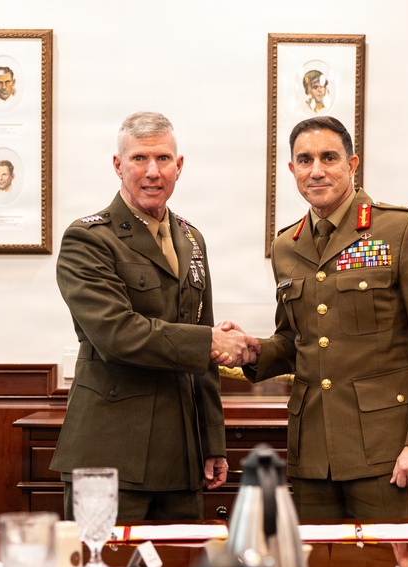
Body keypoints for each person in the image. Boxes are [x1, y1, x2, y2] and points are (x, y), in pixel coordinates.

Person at [225, 116, 408, 521]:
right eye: (305, 160)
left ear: (352, 165)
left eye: (328, 157)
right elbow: (295, 341)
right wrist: (252, 352)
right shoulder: (286, 245)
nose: (316, 170)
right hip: (311, 450)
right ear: (292, 171)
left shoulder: (399, 230)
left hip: (386, 452)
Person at [51, 111, 258, 522]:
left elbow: (204, 343)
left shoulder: (190, 238)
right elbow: (117, 334)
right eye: (139, 159)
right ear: (118, 165)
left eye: (163, 159)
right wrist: (209, 342)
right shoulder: (89, 239)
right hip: (109, 455)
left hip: (180, 455)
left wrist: (211, 440)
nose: (151, 172)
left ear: (179, 167)